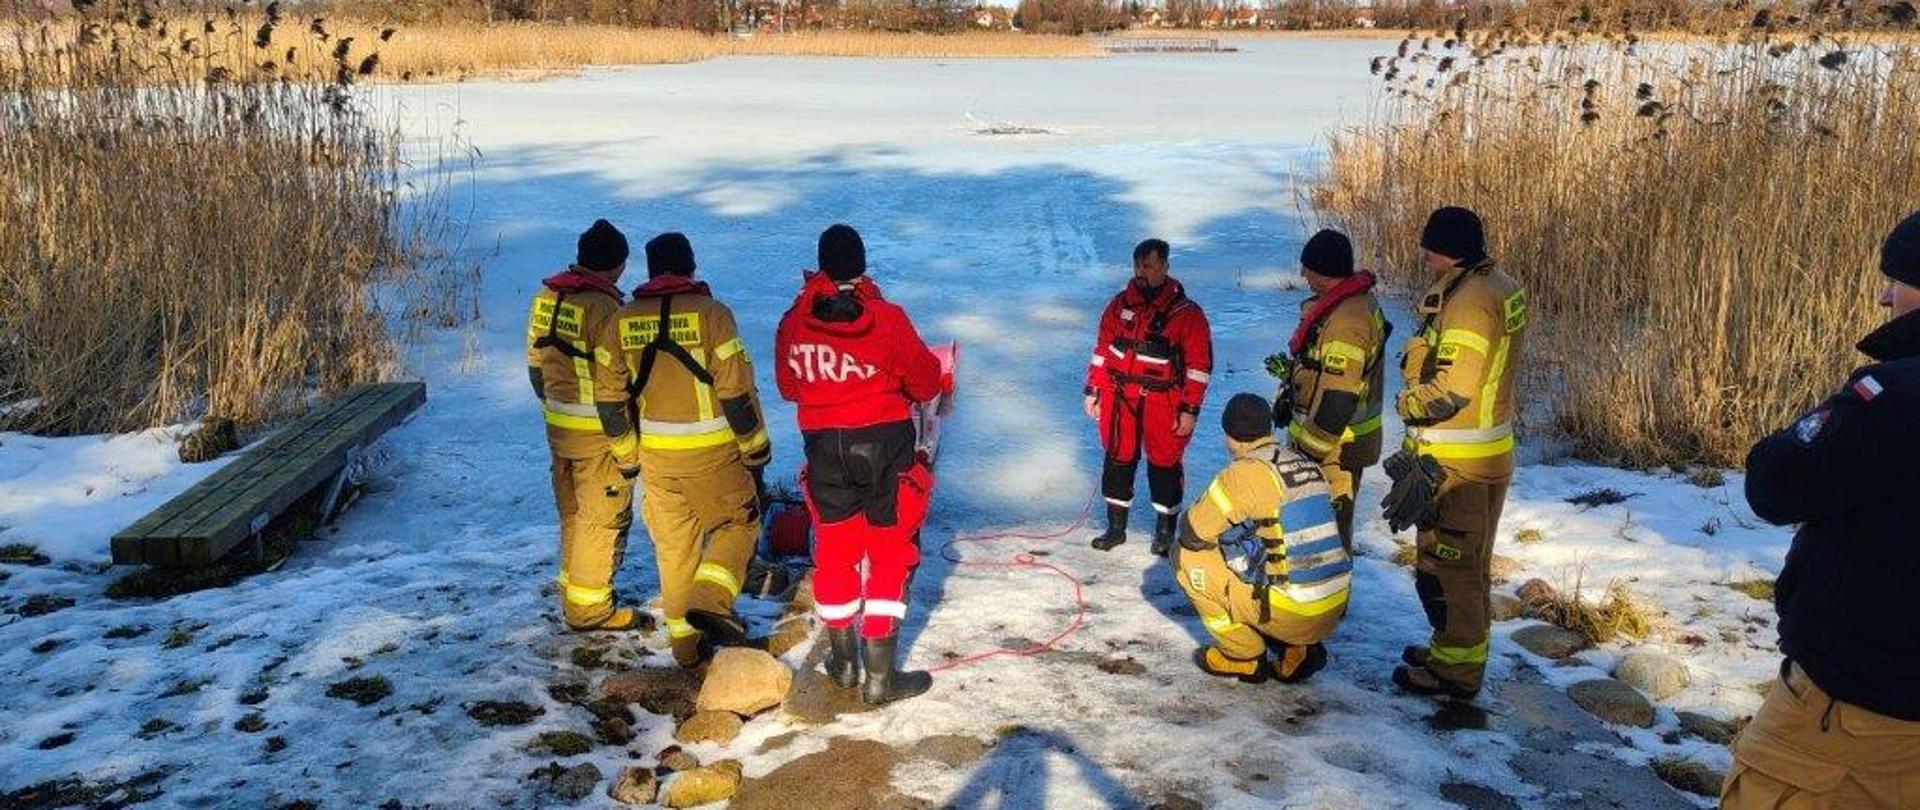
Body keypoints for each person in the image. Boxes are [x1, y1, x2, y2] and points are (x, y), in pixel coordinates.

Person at [1722, 212, 1920, 809]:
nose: (1885, 295)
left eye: (1900, 280)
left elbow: (1776, 482)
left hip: (1855, 710)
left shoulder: (1897, 400)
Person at [775, 224, 944, 705]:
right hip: (884, 446)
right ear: (863, 264)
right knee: (889, 551)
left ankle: (845, 662)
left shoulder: (795, 321)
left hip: (825, 448)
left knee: (835, 551)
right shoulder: (887, 317)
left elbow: (789, 386)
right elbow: (926, 380)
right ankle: (880, 677)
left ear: (822, 264)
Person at [1384, 206, 1527, 700]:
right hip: (1479, 452)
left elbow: (1452, 389)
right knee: (1453, 562)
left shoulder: (1469, 303)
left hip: (1461, 461)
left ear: (1447, 249)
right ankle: (1450, 649)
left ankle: (1458, 672)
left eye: (1428, 246)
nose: (1423, 255)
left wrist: (1406, 402)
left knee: (1456, 566)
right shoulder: (1497, 285)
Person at [614, 232, 772, 667]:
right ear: (690, 267)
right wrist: (755, 449)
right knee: (737, 525)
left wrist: (627, 456)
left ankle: (687, 649)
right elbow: (736, 391)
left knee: (675, 548)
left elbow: (611, 397)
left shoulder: (623, 319)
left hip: (657, 459)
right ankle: (712, 601)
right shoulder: (713, 315)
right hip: (713, 454)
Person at [1174, 393, 1351, 684]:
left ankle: (1242, 656)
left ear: (1230, 435)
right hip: (1333, 605)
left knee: (1185, 556)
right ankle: (1297, 648)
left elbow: (1193, 533)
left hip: (1294, 611)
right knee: (1264, 546)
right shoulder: (1302, 461)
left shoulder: (1246, 472)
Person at [525, 219, 646, 631]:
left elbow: (536, 367)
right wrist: (628, 443)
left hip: (558, 430)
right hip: (598, 434)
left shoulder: (546, 297)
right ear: (617, 266)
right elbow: (618, 380)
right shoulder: (606, 309)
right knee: (601, 518)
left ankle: (572, 589)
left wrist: (554, 410)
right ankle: (590, 610)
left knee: (573, 514)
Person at [1084, 239, 1214, 556]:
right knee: (1118, 458)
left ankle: (1165, 531)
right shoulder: (1118, 306)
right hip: (1118, 396)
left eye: (1150, 266)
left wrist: (1190, 409)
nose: (1142, 272)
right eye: (1138, 266)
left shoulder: (1188, 314)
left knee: (1165, 463)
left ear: (1165, 267)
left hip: (1164, 400)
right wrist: (1093, 390)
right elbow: (1102, 352)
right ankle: (1116, 529)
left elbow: (1198, 367)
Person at [1268, 229, 1389, 552]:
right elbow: (1322, 370)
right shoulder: (1345, 305)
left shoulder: (1346, 323)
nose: (1303, 275)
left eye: (1307, 269)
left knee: (1329, 533)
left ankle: (1331, 600)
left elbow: (1338, 397)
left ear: (1323, 271)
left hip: (1337, 447)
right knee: (1318, 526)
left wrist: (1307, 454)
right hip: (1333, 442)